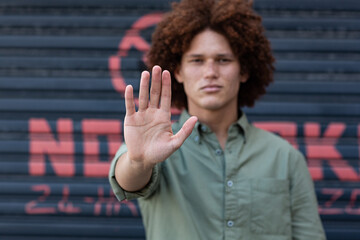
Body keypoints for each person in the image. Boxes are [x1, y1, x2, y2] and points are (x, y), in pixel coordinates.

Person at [109, 0, 326, 239]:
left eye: (223, 60)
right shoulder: (157, 147)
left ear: (244, 70)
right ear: (178, 71)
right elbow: (128, 181)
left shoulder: (285, 157)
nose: (210, 72)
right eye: (197, 60)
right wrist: (139, 162)